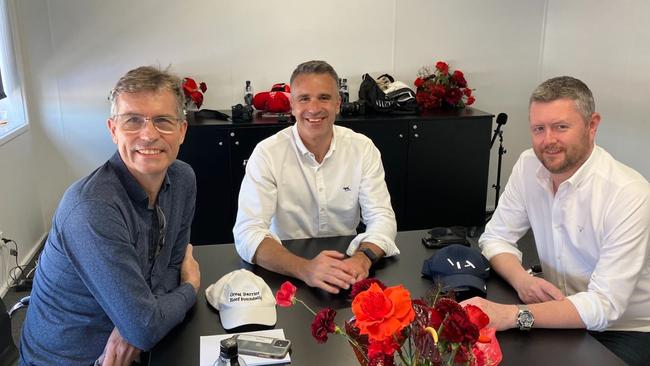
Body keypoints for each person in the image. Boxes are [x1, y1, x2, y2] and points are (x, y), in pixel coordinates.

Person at [462, 76, 650, 366]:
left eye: (561, 127)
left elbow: (604, 305)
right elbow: (496, 237)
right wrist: (522, 280)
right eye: (539, 129)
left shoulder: (628, 193)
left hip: (624, 330)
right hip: (555, 309)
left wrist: (514, 315)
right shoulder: (528, 166)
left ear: (592, 125)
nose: (548, 140)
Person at [20, 66, 201, 366]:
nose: (149, 134)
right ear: (113, 130)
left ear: (182, 130)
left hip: (139, 349)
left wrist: (138, 321)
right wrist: (190, 288)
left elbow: (172, 263)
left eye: (163, 121)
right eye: (132, 121)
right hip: (73, 359)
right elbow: (150, 321)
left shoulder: (183, 179)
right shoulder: (92, 208)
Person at [233, 60, 397, 294]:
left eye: (324, 97)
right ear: (291, 105)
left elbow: (382, 217)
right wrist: (305, 268)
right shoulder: (267, 153)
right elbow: (247, 232)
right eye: (304, 99)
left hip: (347, 268)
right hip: (284, 270)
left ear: (338, 103)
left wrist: (363, 258)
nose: (314, 108)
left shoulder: (362, 148)